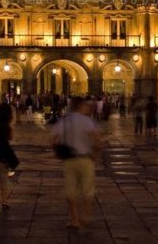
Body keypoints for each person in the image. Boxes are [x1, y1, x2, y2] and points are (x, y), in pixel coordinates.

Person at [52, 97, 101, 231]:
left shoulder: (64, 121)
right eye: (85, 105)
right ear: (80, 106)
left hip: (69, 160)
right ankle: (86, 215)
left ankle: (74, 220)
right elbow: (97, 140)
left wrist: (58, 153)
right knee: (87, 189)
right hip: (86, 159)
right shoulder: (87, 121)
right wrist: (95, 154)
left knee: (71, 191)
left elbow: (53, 139)